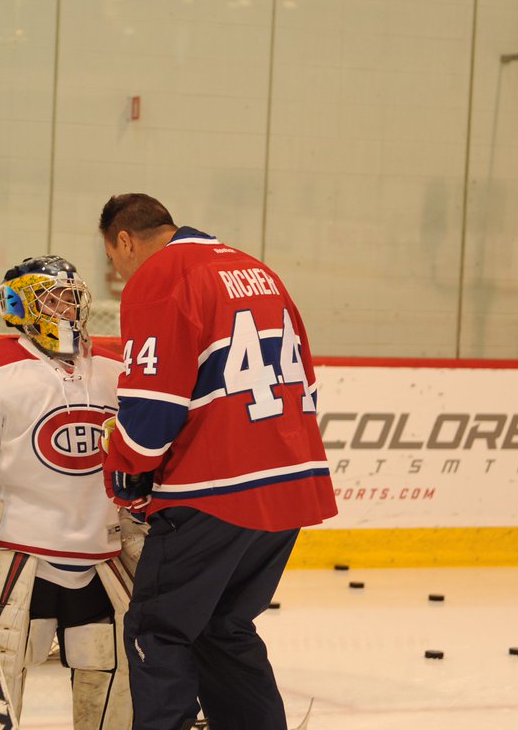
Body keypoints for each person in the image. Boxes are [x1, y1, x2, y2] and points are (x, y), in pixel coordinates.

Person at [97, 193, 338, 730]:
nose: (119, 272)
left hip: (214, 490)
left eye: (114, 259)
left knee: (158, 630)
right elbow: (306, 383)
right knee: (221, 625)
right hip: (290, 485)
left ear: (125, 240)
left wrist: (128, 472)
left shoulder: (161, 276)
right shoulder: (258, 271)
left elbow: (153, 401)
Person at [0, 255, 133, 730]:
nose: (66, 307)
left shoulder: (114, 369)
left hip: (103, 559)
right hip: (16, 560)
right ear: (18, 304)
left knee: (117, 687)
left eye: (72, 296)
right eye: (51, 297)